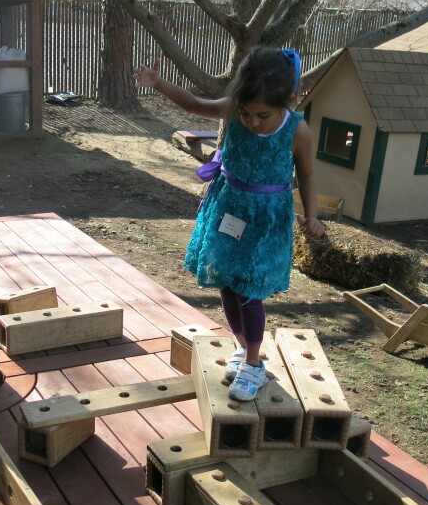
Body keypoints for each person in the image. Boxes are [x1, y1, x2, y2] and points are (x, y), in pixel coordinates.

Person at [134, 47, 325, 402]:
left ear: (289, 99)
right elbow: (193, 104)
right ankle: (242, 348)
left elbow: (308, 174)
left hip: (266, 220)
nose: (252, 121)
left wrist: (312, 215)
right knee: (225, 281)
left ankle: (254, 363)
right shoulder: (235, 109)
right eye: (246, 113)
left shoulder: (298, 130)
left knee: (248, 290)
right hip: (228, 208)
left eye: (262, 115)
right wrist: (158, 83)